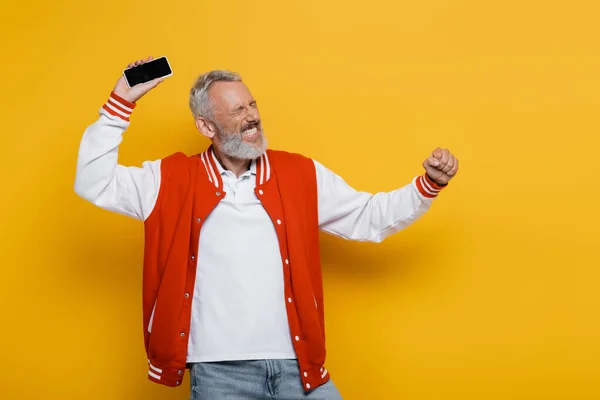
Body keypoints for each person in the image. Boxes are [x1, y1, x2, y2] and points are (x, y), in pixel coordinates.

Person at [74, 56, 459, 400]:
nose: (252, 116)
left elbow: (368, 217)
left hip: (298, 366)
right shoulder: (168, 179)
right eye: (237, 109)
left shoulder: (300, 173)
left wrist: (428, 185)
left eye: (252, 104)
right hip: (219, 374)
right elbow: (94, 182)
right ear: (205, 126)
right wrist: (119, 104)